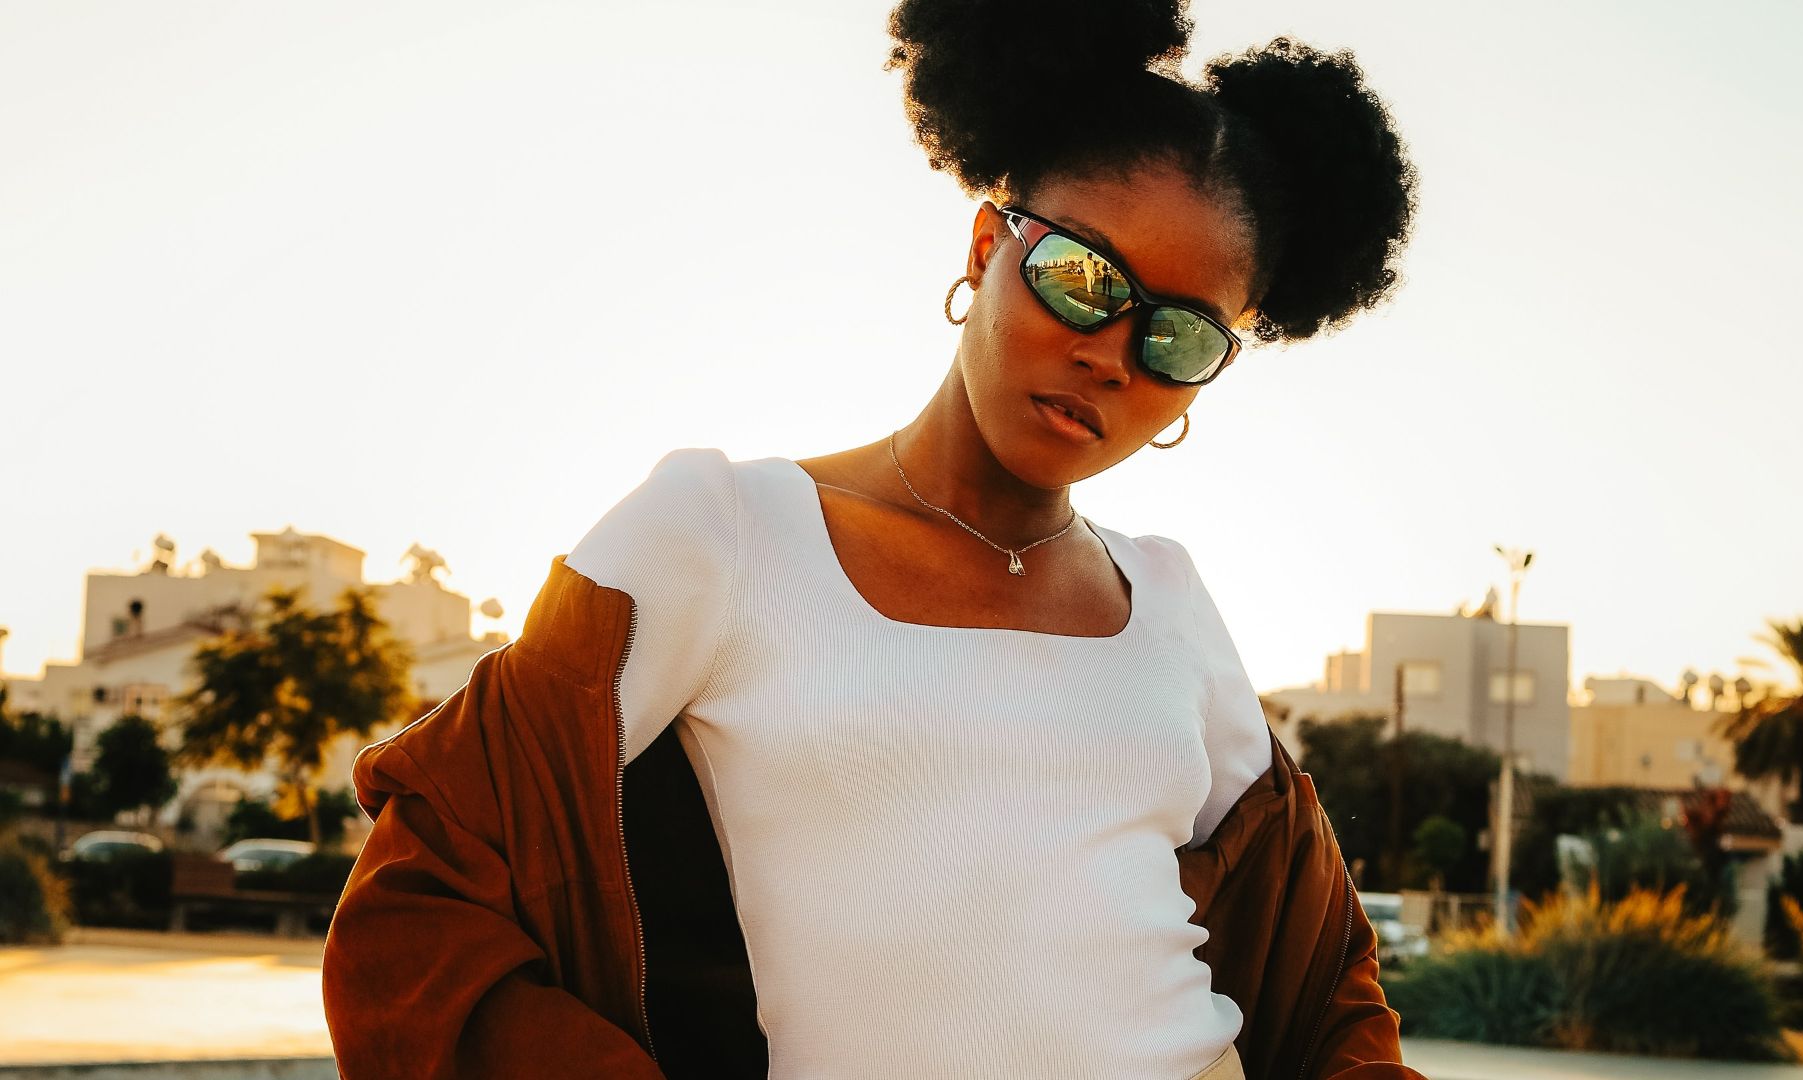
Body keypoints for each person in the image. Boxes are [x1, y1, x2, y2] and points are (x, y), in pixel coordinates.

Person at [320, 1, 1421, 1078]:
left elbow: (1326, 985)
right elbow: (420, 904)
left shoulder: (1172, 602)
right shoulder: (723, 530)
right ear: (990, 241)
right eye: (1082, 279)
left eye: (1179, 337)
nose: (1112, 353)